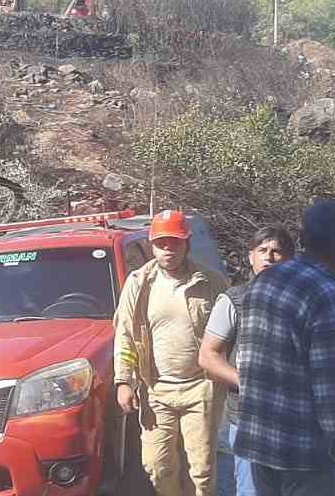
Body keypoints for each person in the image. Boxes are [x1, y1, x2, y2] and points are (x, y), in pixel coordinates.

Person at [235, 201, 335, 496]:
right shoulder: (326, 292)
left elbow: (247, 364)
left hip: (259, 446)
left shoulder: (264, 282)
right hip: (304, 454)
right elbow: (330, 394)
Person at [115, 209, 230, 496]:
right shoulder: (138, 284)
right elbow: (125, 336)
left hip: (201, 388)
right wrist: (123, 381)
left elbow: (231, 335)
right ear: (152, 245)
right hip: (156, 391)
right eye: (162, 242)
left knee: (201, 470)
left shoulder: (212, 282)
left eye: (175, 242)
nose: (168, 249)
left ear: (187, 244)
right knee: (157, 466)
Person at [201, 226, 295, 496]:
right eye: (262, 250)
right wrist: (245, 382)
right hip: (248, 417)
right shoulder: (233, 301)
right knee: (253, 490)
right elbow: (208, 355)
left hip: (294, 417)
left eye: (277, 251)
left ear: (290, 259)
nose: (269, 257)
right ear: (250, 256)